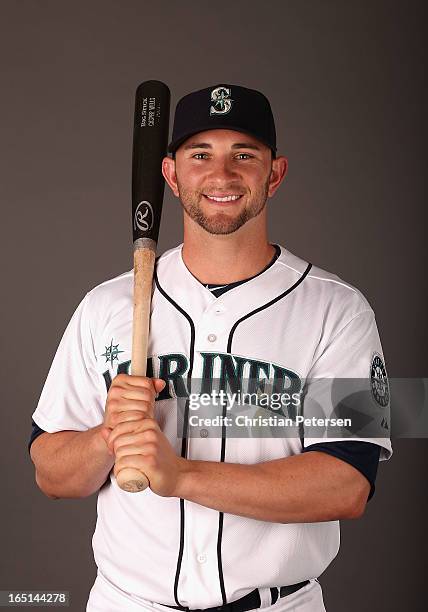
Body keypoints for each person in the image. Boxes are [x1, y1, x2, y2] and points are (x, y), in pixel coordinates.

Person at [29, 84, 392, 612]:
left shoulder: (340, 309)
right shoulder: (104, 305)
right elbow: (51, 476)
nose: (222, 175)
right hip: (126, 603)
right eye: (201, 155)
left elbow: (348, 484)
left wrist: (181, 475)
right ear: (171, 176)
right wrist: (108, 437)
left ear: (276, 173)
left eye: (244, 155)